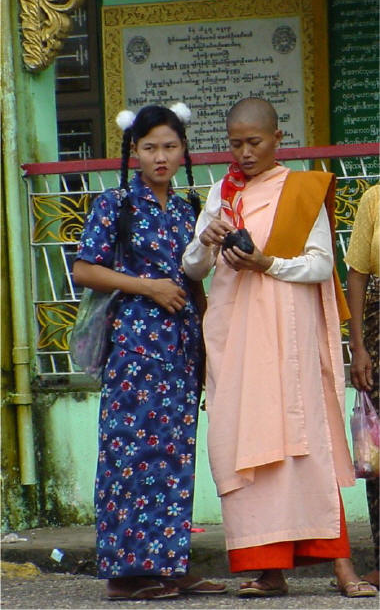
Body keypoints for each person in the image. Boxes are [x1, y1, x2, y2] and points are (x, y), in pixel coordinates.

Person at [182, 97, 378, 599]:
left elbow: (318, 265)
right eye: (235, 143)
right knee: (243, 447)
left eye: (254, 142)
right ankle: (269, 571)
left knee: (305, 448)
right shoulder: (220, 193)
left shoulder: (300, 190)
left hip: (290, 345)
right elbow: (192, 270)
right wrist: (206, 241)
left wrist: (267, 264)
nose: (244, 153)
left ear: (276, 139)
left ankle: (341, 567)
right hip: (238, 343)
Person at [73, 103, 226, 600]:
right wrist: (149, 287)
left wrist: (208, 342)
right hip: (135, 350)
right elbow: (85, 271)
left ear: (183, 152)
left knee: (174, 456)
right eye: (149, 147)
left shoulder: (187, 209)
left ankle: (170, 564)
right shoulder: (114, 204)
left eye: (170, 146)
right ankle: (126, 574)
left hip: (181, 350)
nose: (160, 156)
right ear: (133, 152)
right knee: (129, 455)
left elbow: (197, 280)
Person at [345, 183, 379, 589]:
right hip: (377, 327)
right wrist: (358, 344)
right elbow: (356, 276)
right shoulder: (374, 199)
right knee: (378, 447)